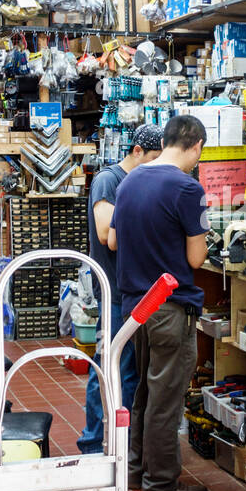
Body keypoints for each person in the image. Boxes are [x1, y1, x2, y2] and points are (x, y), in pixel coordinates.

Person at [109, 115, 210, 491]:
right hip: (170, 307)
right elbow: (197, 258)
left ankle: (135, 471)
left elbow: (114, 241)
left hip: (136, 308)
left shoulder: (130, 179)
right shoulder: (189, 189)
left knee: (145, 396)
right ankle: (161, 484)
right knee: (166, 400)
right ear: (196, 146)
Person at [78, 125, 164, 455]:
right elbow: (104, 232)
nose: (156, 166)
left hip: (132, 291)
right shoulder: (108, 180)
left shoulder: (141, 183)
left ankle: (122, 441)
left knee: (127, 369)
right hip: (113, 289)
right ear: (137, 151)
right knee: (106, 365)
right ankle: (90, 442)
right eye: (154, 158)